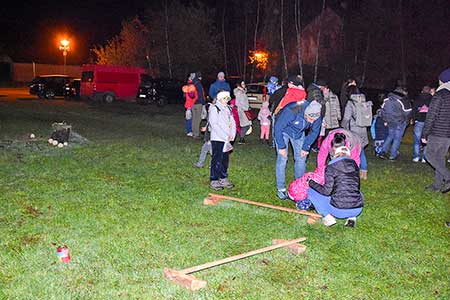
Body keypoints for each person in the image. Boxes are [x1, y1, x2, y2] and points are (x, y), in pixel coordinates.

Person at [288, 129, 361, 209]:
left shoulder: (352, 145)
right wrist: (321, 170)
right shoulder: (328, 141)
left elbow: (355, 161)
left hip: (355, 142)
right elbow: (322, 154)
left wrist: (352, 176)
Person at [306, 135, 364, 227]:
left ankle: (328, 217)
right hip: (357, 208)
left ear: (335, 154)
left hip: (339, 210)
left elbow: (326, 191)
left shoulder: (331, 167)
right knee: (358, 192)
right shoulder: (355, 166)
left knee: (311, 191)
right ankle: (352, 218)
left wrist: (311, 183)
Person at [274, 95, 322, 200]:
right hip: (283, 131)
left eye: (314, 119)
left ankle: (299, 187)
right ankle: (281, 189)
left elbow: (315, 131)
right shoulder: (292, 110)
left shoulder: (317, 115)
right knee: (282, 158)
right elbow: (277, 128)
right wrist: (281, 146)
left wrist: (306, 147)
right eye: (310, 118)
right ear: (305, 113)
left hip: (299, 134)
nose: (312, 122)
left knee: (301, 158)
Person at [421, 68, 450, 193]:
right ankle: (437, 185)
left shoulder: (440, 94)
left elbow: (431, 115)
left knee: (429, 155)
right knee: (439, 158)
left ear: (442, 80)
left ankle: (448, 177)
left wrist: (425, 133)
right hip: (447, 135)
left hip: (437, 132)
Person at [342, 88, 372, 179]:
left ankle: (352, 172)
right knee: (361, 150)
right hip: (363, 129)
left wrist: (343, 127)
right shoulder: (364, 101)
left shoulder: (351, 103)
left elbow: (346, 118)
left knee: (352, 152)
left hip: (353, 131)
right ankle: (364, 171)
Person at [208, 91, 236, 190]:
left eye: (227, 99)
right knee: (217, 159)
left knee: (225, 160)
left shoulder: (228, 109)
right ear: (219, 99)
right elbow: (214, 124)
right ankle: (214, 179)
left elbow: (232, 121)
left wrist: (232, 134)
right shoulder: (214, 108)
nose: (226, 100)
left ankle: (223, 177)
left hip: (227, 139)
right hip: (218, 138)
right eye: (224, 98)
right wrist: (224, 136)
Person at [378, 86, 412, 160]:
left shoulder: (386, 99)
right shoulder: (403, 100)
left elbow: (382, 110)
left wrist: (385, 119)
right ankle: (393, 155)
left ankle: (383, 151)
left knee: (390, 136)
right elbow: (408, 112)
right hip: (400, 122)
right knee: (397, 138)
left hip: (390, 121)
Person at [412, 86, 432, 162]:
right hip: (428, 122)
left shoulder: (418, 99)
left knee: (417, 140)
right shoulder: (432, 99)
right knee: (426, 140)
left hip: (419, 121)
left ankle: (416, 157)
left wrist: (414, 119)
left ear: (422, 91)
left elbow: (414, 110)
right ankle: (424, 158)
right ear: (430, 91)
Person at [191, 72, 206, 139]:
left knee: (194, 118)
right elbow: (201, 94)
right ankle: (196, 134)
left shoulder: (192, 83)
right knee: (198, 119)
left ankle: (193, 132)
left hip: (192, 103)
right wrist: (203, 103)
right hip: (198, 103)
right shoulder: (198, 84)